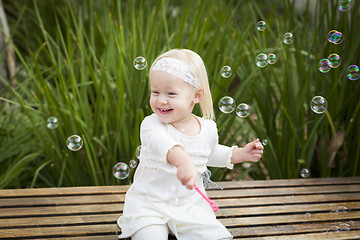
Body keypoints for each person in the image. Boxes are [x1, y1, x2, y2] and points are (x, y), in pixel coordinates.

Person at [117, 49, 264, 240]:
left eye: (171, 93)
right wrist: (183, 162)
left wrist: (239, 154)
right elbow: (165, 146)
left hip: (188, 206)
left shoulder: (207, 128)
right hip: (149, 205)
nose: (161, 100)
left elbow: (208, 153)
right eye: (155, 92)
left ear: (196, 96)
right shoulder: (151, 125)